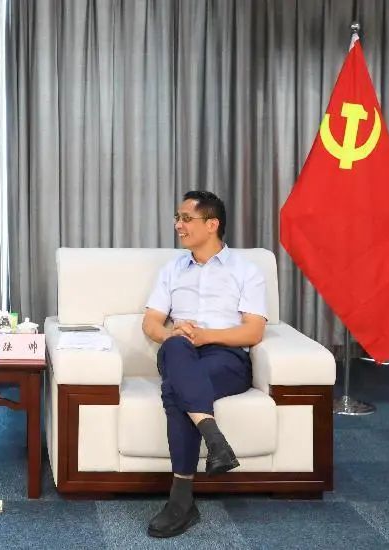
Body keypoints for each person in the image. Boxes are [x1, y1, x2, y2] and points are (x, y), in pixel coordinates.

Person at [141, 190, 267, 538]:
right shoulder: (172, 270)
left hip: (225, 357)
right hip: (179, 350)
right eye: (177, 218)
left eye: (186, 218)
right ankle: (215, 441)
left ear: (212, 224)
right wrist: (173, 332)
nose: (178, 225)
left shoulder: (246, 271)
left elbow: (253, 331)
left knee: (175, 390)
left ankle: (181, 501)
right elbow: (150, 323)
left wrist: (206, 336)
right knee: (176, 347)